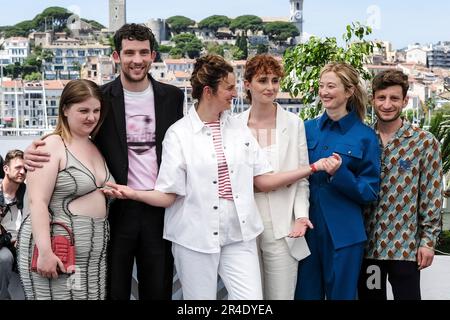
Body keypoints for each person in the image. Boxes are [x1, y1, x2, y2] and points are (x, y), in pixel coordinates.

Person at [103, 54, 341, 300]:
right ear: (208, 91)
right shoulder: (179, 134)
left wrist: (314, 168)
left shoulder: (239, 128)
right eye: (228, 88)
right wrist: (133, 193)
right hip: (195, 239)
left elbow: (262, 180)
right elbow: (168, 195)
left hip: (240, 236)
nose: (235, 93)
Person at [24, 23, 184, 300]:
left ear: (153, 56)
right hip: (113, 213)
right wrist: (32, 149)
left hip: (158, 210)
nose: (137, 60)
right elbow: (72, 132)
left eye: (144, 52)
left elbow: (184, 145)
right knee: (112, 291)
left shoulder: (172, 97)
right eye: (129, 52)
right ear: (116, 56)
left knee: (158, 290)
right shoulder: (101, 98)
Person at [17, 79, 114, 300]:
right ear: (65, 110)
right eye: (83, 110)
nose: (91, 117)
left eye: (96, 110)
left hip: (89, 257)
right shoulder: (52, 145)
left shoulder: (94, 145)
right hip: (58, 252)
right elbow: (37, 201)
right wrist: (45, 253)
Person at [294, 62, 381, 300]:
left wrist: (339, 175)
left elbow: (370, 191)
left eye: (331, 86)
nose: (324, 91)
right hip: (306, 232)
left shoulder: (366, 136)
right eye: (321, 86)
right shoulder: (305, 129)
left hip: (345, 236)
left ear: (349, 91)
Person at [358, 70, 442, 300]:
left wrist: (427, 242)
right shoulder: (361, 138)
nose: (387, 104)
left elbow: (432, 195)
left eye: (394, 98)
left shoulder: (424, 142)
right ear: (372, 99)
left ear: (405, 101)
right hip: (369, 249)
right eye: (381, 98)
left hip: (406, 249)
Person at [236, 54, 311, 299]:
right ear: (247, 84)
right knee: (249, 300)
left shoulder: (294, 123)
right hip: (242, 227)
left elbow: (302, 178)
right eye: (263, 80)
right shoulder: (234, 125)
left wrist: (301, 216)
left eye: (275, 80)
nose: (271, 87)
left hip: (283, 227)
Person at [0, 149, 26, 300]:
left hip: (24, 244)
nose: (22, 172)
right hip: (4, 244)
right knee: (4, 258)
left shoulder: (28, 192)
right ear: (6, 168)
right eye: (18, 167)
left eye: (25, 168)